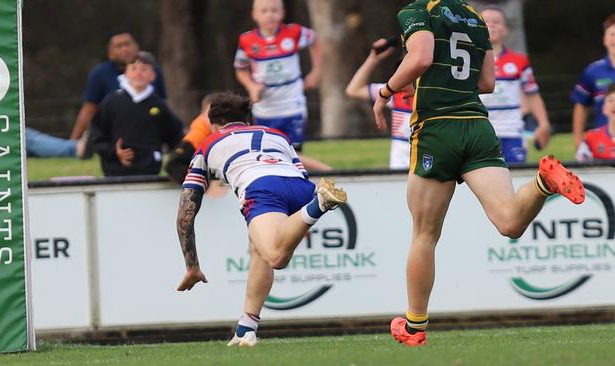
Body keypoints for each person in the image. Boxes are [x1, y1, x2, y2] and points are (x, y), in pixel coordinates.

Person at [372, 0, 585, 346]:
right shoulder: (476, 18)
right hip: (478, 126)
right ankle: (544, 182)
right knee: (510, 221)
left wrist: (385, 92)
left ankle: (414, 327)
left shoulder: (417, 12)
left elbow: (422, 57)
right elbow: (487, 82)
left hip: (437, 128)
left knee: (424, 235)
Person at [174, 92, 347, 347]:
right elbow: (298, 174)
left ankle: (319, 204)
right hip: (299, 185)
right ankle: (246, 329)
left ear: (212, 123)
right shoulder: (277, 135)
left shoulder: (207, 144)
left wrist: (192, 265)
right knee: (259, 249)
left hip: (260, 186)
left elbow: (185, 215)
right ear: (247, 119)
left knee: (275, 256)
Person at [233, 0, 331, 172]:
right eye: (264, 11)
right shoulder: (247, 40)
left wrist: (317, 71)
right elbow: (240, 69)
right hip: (265, 108)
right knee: (268, 154)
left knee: (293, 154)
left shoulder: (294, 32)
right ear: (254, 14)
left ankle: (324, 176)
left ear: (282, 12)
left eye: (274, 10)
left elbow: (316, 41)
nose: (269, 15)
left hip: (292, 104)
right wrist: (252, 86)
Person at [88, 52, 182, 176]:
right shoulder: (111, 102)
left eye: (144, 69)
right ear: (126, 73)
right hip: (115, 173)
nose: (138, 73)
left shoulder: (159, 105)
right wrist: (113, 152)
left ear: (152, 75)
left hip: (150, 172)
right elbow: (96, 134)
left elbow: (176, 137)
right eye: (133, 68)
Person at [480, 6, 551, 164]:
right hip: (480, 131)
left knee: (515, 178)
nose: (491, 25)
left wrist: (543, 123)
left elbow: (532, 93)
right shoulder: (470, 60)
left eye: (497, 22)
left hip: (512, 131)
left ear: (505, 29)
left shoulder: (519, 60)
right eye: (486, 22)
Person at [70, 30, 167, 141]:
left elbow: (162, 105)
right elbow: (88, 110)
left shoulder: (153, 70)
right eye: (119, 46)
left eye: (127, 44)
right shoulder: (100, 73)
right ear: (110, 53)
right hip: (112, 134)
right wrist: (73, 141)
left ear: (137, 46)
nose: (124, 49)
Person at [346, 37, 413, 169]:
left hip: (424, 173)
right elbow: (353, 90)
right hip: (397, 171)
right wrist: (373, 59)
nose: (402, 76)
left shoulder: (432, 97)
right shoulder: (394, 94)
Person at [571, 14, 615, 149]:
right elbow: (581, 105)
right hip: (602, 147)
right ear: (605, 40)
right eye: (612, 34)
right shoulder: (593, 71)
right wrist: (579, 142)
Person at [164, 93, 219, 183]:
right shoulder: (197, 136)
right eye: (211, 114)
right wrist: (204, 185)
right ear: (202, 115)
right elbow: (173, 165)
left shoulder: (234, 135)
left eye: (221, 115)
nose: (216, 120)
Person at [576, 84, 615, 162]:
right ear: (604, 109)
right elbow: (579, 168)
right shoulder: (591, 137)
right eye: (611, 100)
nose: (614, 104)